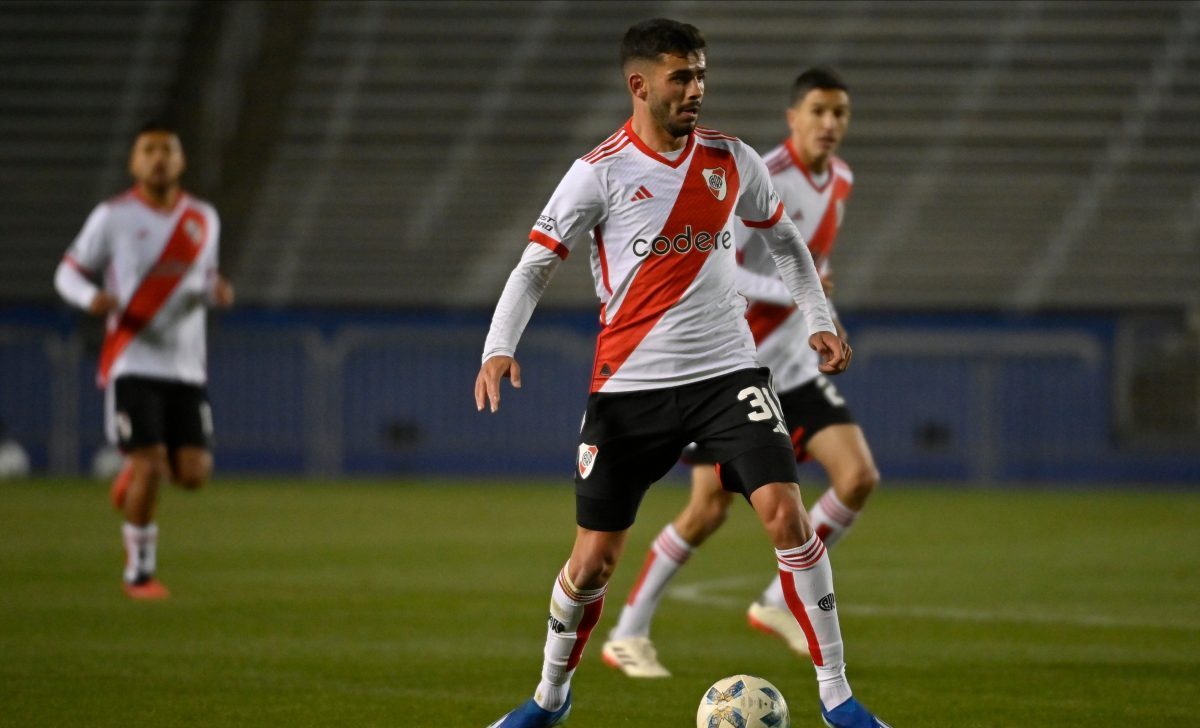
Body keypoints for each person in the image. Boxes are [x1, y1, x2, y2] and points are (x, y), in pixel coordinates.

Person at [475, 20, 889, 728]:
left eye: (700, 75)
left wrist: (818, 315)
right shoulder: (598, 172)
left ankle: (837, 697)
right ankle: (549, 699)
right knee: (593, 563)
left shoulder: (732, 158)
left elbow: (786, 242)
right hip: (628, 388)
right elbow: (535, 264)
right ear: (639, 85)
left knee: (786, 514)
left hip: (729, 376)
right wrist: (497, 346)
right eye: (680, 76)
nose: (695, 89)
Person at [602, 67, 881, 676]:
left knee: (857, 475)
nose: (830, 124)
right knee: (707, 510)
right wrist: (788, 291)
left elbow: (812, 267)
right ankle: (629, 629)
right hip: (733, 366)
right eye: (819, 112)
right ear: (793, 117)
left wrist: (821, 316)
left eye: (840, 114)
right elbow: (718, 264)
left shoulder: (842, 181)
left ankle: (778, 598)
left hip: (796, 368)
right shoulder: (757, 172)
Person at [54, 122, 233, 600]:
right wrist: (91, 297)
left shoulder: (203, 218)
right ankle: (140, 574)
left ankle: (132, 472)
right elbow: (67, 272)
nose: (158, 158)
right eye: (148, 150)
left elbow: (203, 278)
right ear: (134, 162)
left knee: (193, 475)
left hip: (186, 366)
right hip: (133, 361)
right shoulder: (112, 216)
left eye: (166, 150)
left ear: (181, 161)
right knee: (153, 466)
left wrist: (214, 292)